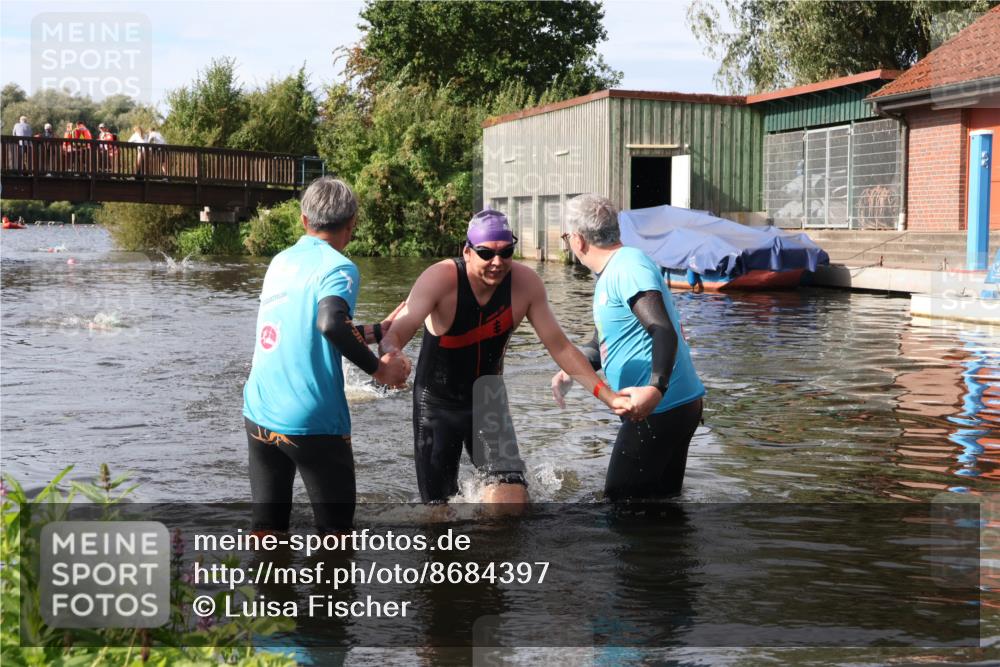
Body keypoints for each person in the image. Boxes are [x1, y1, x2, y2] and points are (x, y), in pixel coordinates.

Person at [379, 209, 632, 505]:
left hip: (488, 401)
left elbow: (561, 347)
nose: (497, 262)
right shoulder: (440, 278)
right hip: (437, 403)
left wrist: (608, 396)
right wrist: (391, 356)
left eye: (506, 252)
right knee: (438, 515)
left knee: (510, 503)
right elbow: (397, 331)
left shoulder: (525, 284)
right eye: (486, 253)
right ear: (468, 252)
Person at [243, 177, 410, 534]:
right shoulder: (339, 266)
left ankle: (269, 589)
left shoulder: (280, 261)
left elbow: (309, 326)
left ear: (304, 220)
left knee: (267, 529)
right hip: (311, 421)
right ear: (352, 224)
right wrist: (378, 369)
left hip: (259, 411)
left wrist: (376, 331)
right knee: (335, 535)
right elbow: (330, 323)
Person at [552, 194, 705, 500]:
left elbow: (662, 329)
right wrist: (572, 370)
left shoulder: (627, 268)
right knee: (659, 507)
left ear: (578, 240)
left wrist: (655, 388)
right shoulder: (614, 271)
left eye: (566, 237)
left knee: (619, 508)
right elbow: (601, 344)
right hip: (668, 407)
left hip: (658, 408)